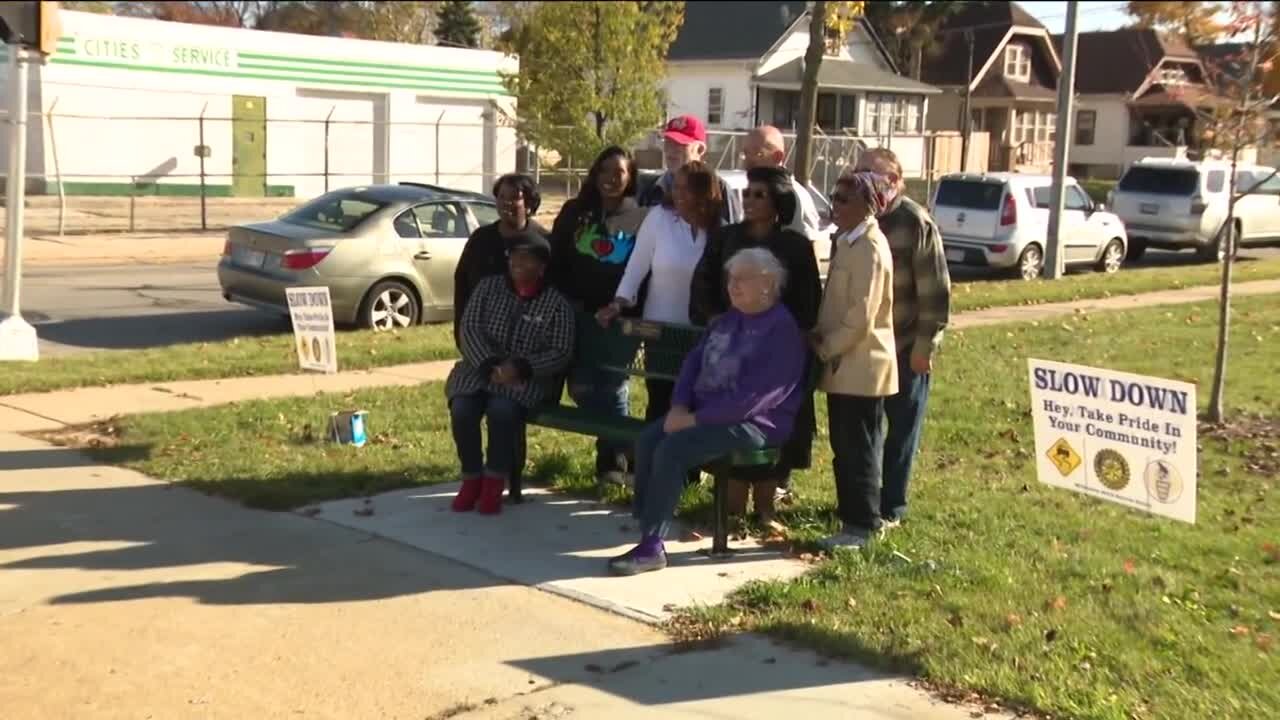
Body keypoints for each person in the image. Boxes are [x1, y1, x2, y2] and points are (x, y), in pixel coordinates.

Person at [608, 247, 807, 576]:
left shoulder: (781, 330)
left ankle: (651, 546)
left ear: (768, 284)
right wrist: (680, 406)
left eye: (742, 279)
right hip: (702, 412)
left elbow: (755, 399)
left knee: (673, 448)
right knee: (648, 440)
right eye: (731, 279)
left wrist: (693, 419)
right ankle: (648, 526)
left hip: (755, 424)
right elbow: (692, 364)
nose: (733, 285)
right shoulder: (730, 319)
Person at [688, 165, 821, 522]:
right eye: (747, 193)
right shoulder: (726, 238)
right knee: (732, 413)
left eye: (759, 194)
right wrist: (716, 318)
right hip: (733, 346)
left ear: (777, 201)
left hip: (777, 351)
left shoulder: (794, 245)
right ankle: (731, 506)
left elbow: (809, 299)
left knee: (770, 421)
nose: (749, 200)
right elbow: (702, 282)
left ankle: (765, 507)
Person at [852, 148, 952, 527]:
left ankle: (893, 507)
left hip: (906, 344)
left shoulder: (914, 221)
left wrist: (926, 345)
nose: (865, 180)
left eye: (873, 175)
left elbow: (935, 293)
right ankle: (866, 503)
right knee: (867, 432)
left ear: (894, 181)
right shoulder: (858, 220)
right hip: (868, 348)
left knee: (901, 432)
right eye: (859, 171)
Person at [446, 231, 575, 515]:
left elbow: (560, 351)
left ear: (541, 267)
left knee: (502, 412)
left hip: (524, 381)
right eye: (514, 257)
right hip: (478, 371)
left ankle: (494, 481)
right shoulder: (487, 288)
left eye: (526, 259)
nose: (517, 263)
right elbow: (469, 329)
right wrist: (489, 364)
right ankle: (471, 477)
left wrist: (519, 368)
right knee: (463, 409)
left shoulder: (556, 305)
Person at [550, 145, 649, 485]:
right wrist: (568, 300)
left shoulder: (642, 218)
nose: (610, 179)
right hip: (577, 314)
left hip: (622, 319)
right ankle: (632, 446)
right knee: (580, 387)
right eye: (604, 171)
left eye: (619, 172)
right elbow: (557, 259)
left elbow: (645, 270)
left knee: (612, 385)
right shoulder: (576, 212)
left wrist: (625, 307)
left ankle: (611, 464)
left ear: (630, 177)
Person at [597, 161, 722, 423]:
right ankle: (651, 463)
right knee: (661, 405)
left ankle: (685, 464)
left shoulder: (719, 229)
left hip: (701, 335)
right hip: (661, 333)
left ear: (704, 192)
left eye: (686, 189)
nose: (678, 193)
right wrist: (618, 302)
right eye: (675, 187)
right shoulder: (659, 218)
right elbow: (636, 267)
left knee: (692, 407)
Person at [811, 171, 898, 550]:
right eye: (835, 196)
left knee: (859, 449)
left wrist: (824, 348)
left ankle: (862, 526)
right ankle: (852, 521)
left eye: (845, 198)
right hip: (843, 366)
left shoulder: (870, 249)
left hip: (861, 366)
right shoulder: (847, 242)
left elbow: (861, 317)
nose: (836, 204)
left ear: (869, 205)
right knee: (845, 448)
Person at [453, 173, 545, 346]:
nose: (506, 203)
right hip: (480, 334)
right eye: (501, 197)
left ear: (529, 205)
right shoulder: (481, 239)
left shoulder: (543, 242)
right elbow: (462, 282)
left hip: (526, 340)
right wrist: (461, 332)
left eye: (514, 198)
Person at [639, 115, 741, 224]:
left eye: (680, 144)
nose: (671, 150)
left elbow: (731, 236)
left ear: (700, 150)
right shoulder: (653, 189)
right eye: (668, 142)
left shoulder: (718, 189)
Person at [741, 125, 821, 240]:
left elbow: (801, 247)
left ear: (777, 157)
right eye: (745, 153)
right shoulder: (752, 190)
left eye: (758, 154)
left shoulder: (792, 195)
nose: (748, 160)